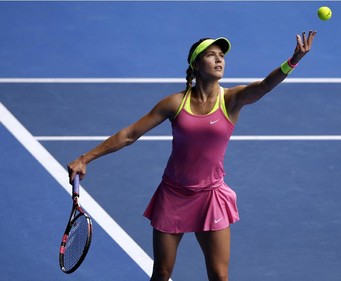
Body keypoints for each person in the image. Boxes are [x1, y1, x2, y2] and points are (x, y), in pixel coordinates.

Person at [68, 30, 317, 281]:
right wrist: (85, 158)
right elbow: (130, 134)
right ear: (196, 64)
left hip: (211, 196)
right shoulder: (175, 103)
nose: (219, 60)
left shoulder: (231, 99)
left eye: (221, 56)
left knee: (220, 276)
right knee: (162, 273)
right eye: (211, 55)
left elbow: (264, 87)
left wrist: (293, 60)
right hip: (173, 195)